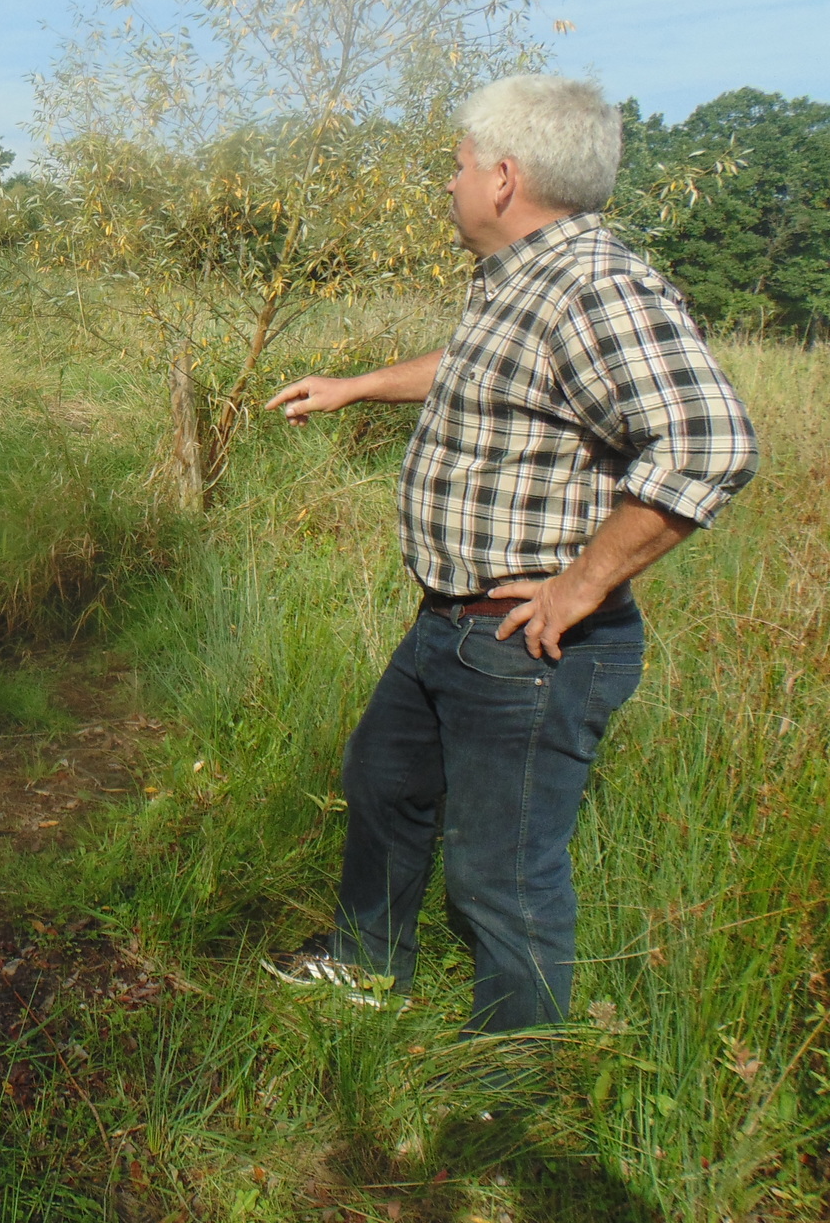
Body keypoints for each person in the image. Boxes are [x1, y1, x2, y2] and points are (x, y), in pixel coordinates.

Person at [261, 75, 758, 1034]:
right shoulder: (527, 280)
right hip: (453, 622)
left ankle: (507, 1086)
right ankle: (367, 967)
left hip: (528, 645)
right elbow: (481, 369)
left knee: (502, 871)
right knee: (385, 782)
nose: (446, 185)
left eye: (454, 165)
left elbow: (710, 442)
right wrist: (357, 385)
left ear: (501, 177)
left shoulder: (596, 284)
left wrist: (581, 585)